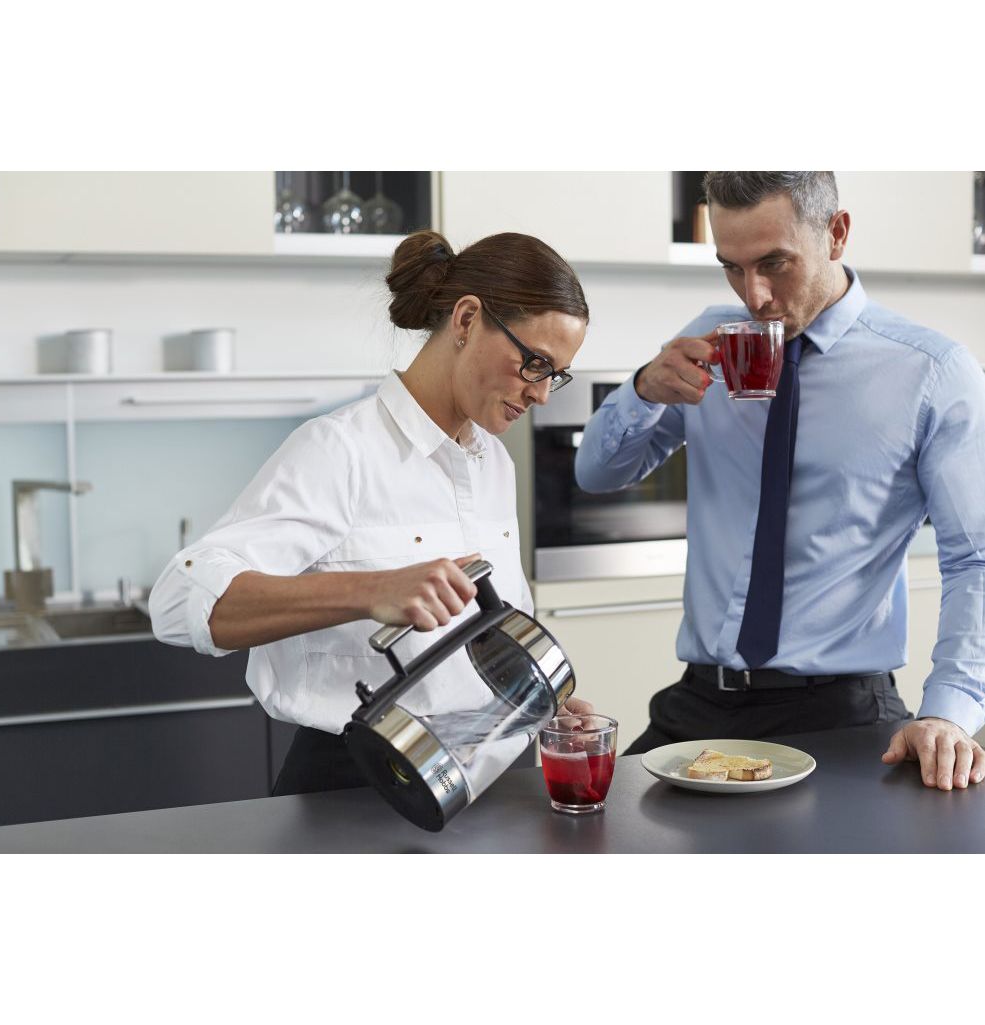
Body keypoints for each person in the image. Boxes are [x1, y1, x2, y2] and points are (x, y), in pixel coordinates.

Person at [575, 171, 985, 791]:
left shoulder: (931, 372)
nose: (755, 295)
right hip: (699, 703)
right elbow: (598, 473)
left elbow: (973, 559)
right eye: (732, 268)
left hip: (840, 712)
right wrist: (642, 391)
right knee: (586, 826)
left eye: (774, 264)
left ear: (837, 233)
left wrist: (949, 712)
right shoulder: (712, 341)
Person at [149, 230, 591, 795]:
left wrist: (538, 705)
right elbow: (176, 604)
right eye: (535, 363)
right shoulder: (340, 450)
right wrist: (370, 590)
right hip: (357, 790)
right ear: (466, 320)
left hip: (486, 787)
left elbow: (481, 647)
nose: (542, 394)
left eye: (556, 374)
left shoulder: (493, 464)